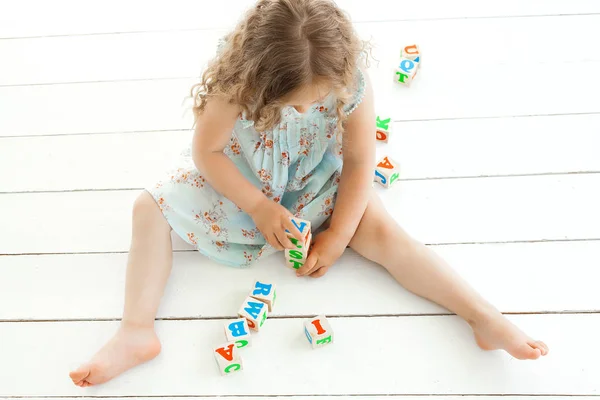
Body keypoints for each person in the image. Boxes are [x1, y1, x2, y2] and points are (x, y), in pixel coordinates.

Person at [69, 0, 548, 388]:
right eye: (292, 103)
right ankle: (135, 331)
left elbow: (360, 160)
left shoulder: (350, 80)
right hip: (242, 178)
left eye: (317, 101)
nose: (307, 108)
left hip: (313, 176)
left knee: (381, 229)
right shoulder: (238, 81)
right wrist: (258, 206)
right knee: (147, 208)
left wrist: (338, 235)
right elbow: (206, 151)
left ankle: (482, 316)